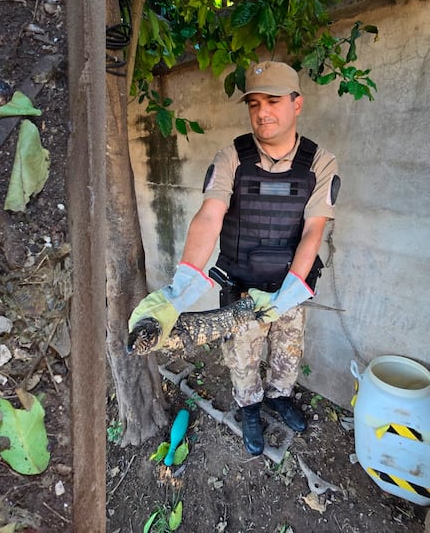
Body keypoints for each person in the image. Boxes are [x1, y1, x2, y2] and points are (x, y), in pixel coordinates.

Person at [128, 61, 340, 456]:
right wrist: (182, 287)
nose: (263, 112)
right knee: (243, 360)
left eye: (273, 101)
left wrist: (290, 291)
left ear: (297, 104)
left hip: (290, 289)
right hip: (242, 292)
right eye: (254, 103)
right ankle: (250, 410)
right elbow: (210, 214)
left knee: (287, 351)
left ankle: (279, 398)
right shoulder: (232, 157)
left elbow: (314, 228)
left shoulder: (319, 162)